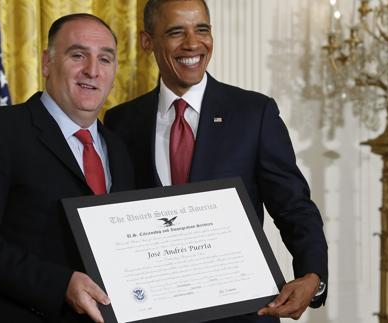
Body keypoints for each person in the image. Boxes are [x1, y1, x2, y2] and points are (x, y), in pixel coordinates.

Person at [104, 0, 328, 322]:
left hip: (243, 313)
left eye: (202, 30)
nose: (193, 44)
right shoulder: (121, 122)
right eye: (176, 32)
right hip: (154, 312)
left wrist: (312, 276)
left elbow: (294, 207)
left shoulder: (254, 113)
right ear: (147, 41)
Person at [0, 14, 133, 323]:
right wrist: (60, 284)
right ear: (46, 63)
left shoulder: (119, 149)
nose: (93, 71)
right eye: (78, 55)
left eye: (105, 59)